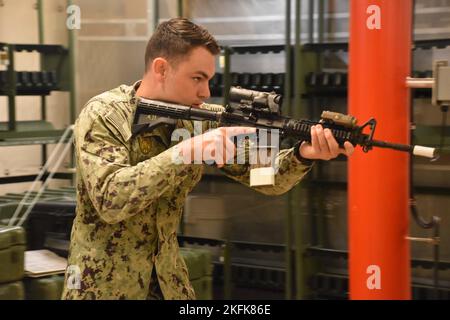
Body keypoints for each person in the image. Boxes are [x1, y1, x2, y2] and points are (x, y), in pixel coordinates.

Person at [61, 17, 354, 300]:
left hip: (166, 280)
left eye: (209, 80)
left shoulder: (201, 119)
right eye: (197, 78)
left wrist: (304, 154)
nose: (206, 92)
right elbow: (111, 200)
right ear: (161, 69)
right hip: (102, 285)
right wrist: (186, 152)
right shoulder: (104, 114)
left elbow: (266, 177)